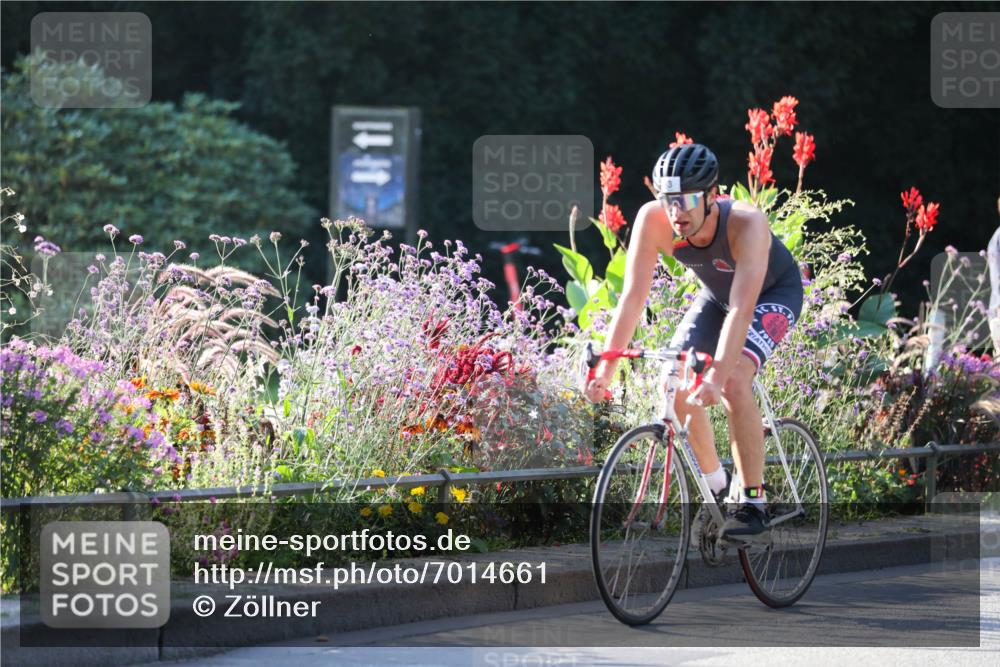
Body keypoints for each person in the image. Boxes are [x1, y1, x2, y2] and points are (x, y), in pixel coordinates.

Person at [584, 143, 804, 540]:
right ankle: (718, 488)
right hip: (716, 297)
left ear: (712, 194)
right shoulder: (653, 220)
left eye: (685, 200)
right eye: (667, 199)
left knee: (735, 380)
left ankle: (753, 502)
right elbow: (633, 296)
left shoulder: (746, 223)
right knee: (674, 379)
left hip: (769, 295)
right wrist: (608, 367)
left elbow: (742, 307)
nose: (675, 211)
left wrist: (717, 375)